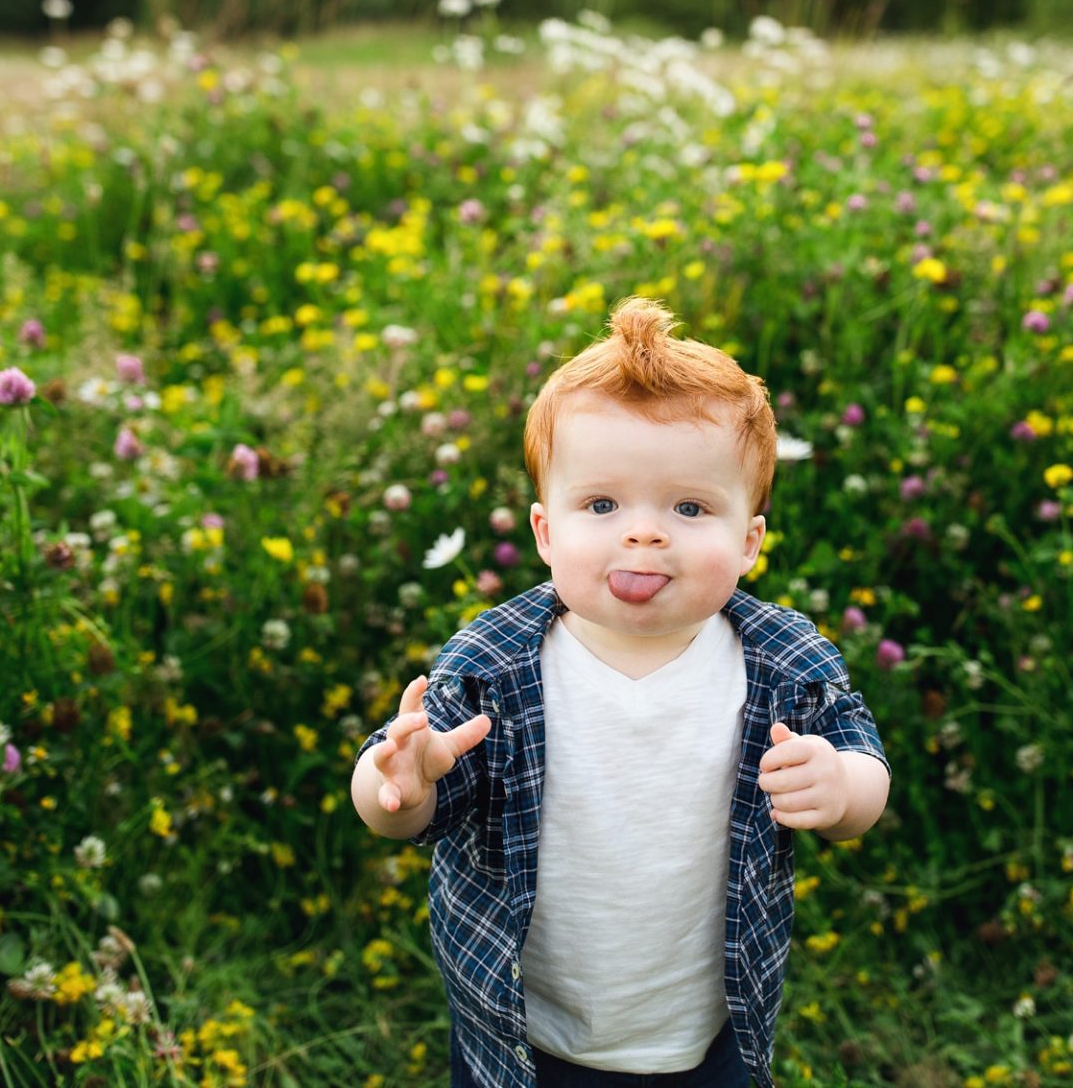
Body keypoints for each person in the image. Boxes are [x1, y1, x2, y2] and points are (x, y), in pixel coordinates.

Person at [352, 297, 891, 1088]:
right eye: (602, 504)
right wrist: (399, 783)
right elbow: (398, 802)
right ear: (545, 532)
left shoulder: (784, 661)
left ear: (749, 542)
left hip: (706, 1033)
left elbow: (864, 771)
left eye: (690, 506)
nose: (644, 532)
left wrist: (840, 787)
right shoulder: (495, 661)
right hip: (519, 1034)